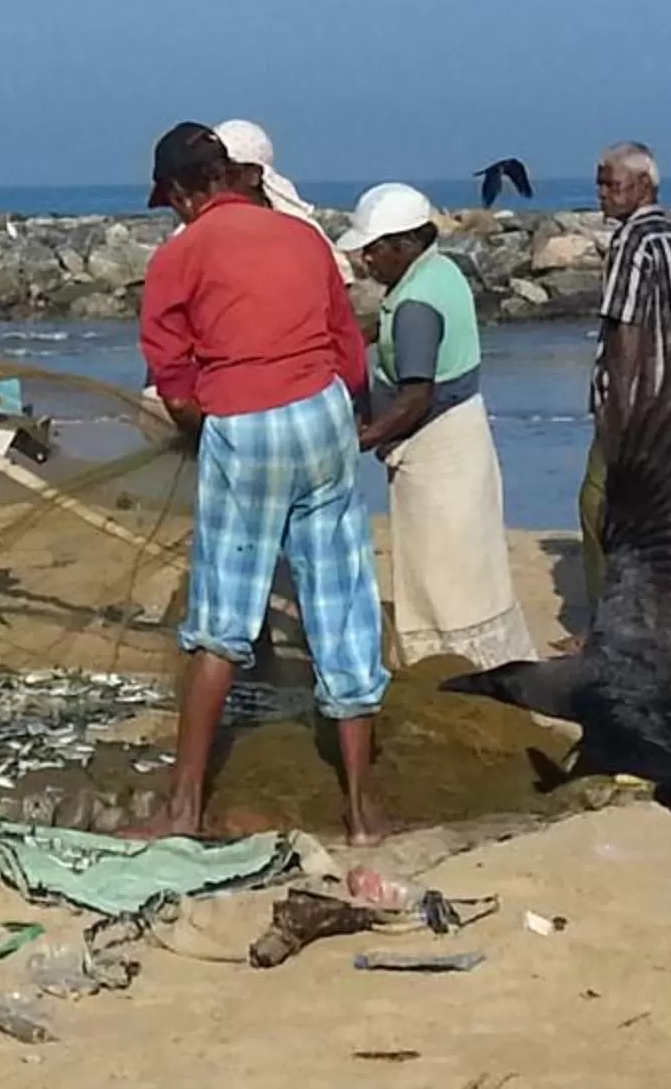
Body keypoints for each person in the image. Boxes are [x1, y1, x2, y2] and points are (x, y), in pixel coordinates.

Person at [136, 121, 387, 842]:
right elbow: (349, 351)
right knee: (341, 604)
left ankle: (182, 808)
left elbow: (172, 371)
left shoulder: (180, 256)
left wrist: (196, 425)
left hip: (247, 427)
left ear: (186, 192)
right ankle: (363, 810)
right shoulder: (303, 236)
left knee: (221, 622)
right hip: (325, 417)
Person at [343, 182, 538, 669]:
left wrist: (359, 440)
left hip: (439, 454)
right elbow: (384, 326)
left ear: (404, 245)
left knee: (441, 575)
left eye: (373, 249)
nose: (365, 260)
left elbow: (415, 397)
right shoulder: (437, 272)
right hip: (466, 434)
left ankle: (453, 673)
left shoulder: (415, 305)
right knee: (473, 569)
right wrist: (346, 335)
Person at [580, 141, 671, 615]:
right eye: (600, 182)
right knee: (666, 515)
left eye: (612, 183)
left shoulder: (632, 242)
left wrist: (620, 411)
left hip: (638, 407)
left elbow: (625, 330)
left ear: (644, 186)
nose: (602, 193)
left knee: (598, 506)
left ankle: (608, 619)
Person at [216, 118, 356, 281]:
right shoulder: (197, 232)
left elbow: (338, 278)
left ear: (254, 175)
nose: (217, 183)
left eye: (228, 173)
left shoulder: (299, 234)